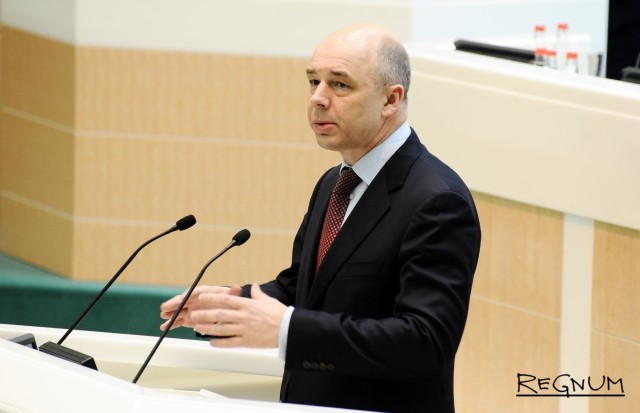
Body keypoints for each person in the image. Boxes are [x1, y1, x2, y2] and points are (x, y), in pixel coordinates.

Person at [160, 23, 481, 413]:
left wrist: (286, 330)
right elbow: (304, 288)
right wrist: (232, 305)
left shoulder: (437, 200)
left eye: (340, 85)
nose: (317, 98)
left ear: (391, 99)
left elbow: (425, 343)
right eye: (314, 81)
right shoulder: (335, 182)